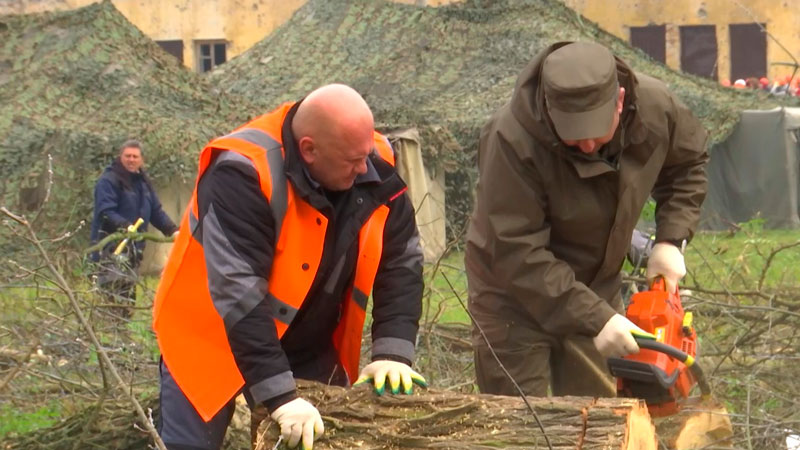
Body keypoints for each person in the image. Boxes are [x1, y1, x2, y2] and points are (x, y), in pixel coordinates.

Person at [152, 84, 426, 450]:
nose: (365, 168)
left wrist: (393, 352)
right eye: (352, 161)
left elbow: (402, 258)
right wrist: (279, 396)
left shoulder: (368, 157)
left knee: (329, 438)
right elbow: (240, 294)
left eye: (366, 156)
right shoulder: (241, 171)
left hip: (304, 336)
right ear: (309, 149)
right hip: (210, 332)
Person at [465, 41, 708, 398]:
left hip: (597, 283)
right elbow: (517, 251)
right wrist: (597, 317)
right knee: (520, 423)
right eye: (575, 135)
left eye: (596, 130)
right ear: (549, 109)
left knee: (597, 417)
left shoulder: (656, 110)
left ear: (620, 101)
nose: (589, 145)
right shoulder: (510, 139)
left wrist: (671, 240)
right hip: (511, 296)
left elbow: (688, 164)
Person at [89, 139, 178, 318]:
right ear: (120, 157)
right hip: (110, 250)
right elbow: (106, 211)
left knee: (127, 301)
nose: (131, 160)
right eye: (127, 156)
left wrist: (173, 230)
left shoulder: (143, 184)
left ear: (141, 160)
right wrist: (125, 226)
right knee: (110, 299)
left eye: (135, 156)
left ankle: (123, 336)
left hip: (133, 252)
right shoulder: (108, 181)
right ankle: (107, 336)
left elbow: (156, 212)